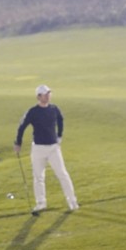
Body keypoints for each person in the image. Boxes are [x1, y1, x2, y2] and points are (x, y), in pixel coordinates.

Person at [14, 84, 79, 213]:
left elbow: (61, 120)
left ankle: (72, 201)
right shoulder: (33, 112)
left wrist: (59, 136)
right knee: (38, 177)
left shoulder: (54, 109)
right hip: (38, 148)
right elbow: (22, 126)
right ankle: (41, 203)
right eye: (45, 94)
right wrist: (18, 142)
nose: (48, 96)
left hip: (53, 148)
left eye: (49, 93)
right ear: (39, 96)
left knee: (62, 174)